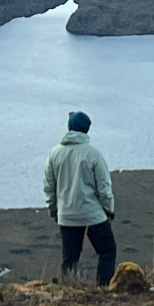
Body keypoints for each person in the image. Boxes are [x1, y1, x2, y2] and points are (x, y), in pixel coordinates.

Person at [43, 110, 117, 286]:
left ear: (70, 128)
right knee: (107, 250)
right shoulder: (93, 155)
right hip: (93, 215)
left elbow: (49, 187)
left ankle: (67, 290)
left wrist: (54, 210)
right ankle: (103, 288)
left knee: (69, 259)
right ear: (86, 130)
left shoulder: (55, 154)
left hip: (67, 216)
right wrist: (109, 210)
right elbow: (104, 188)